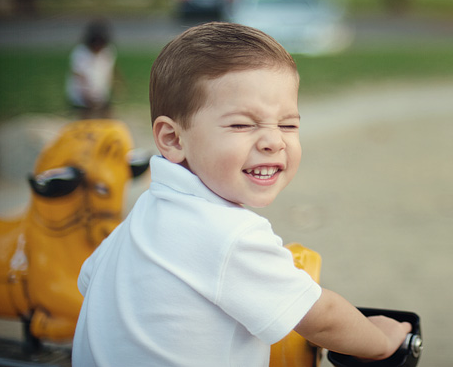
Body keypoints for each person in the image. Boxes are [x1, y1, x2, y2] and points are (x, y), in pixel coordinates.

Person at [72, 22, 411, 366]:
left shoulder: (143, 216)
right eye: (242, 124)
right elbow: (321, 317)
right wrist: (383, 341)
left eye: (288, 124)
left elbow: (89, 282)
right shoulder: (229, 235)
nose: (273, 141)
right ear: (173, 139)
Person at [66, 19, 118, 118]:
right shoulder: (80, 53)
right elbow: (79, 76)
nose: (98, 47)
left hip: (100, 95)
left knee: (108, 118)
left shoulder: (108, 51)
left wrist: (115, 86)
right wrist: (87, 96)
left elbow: (110, 69)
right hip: (81, 98)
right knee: (85, 120)